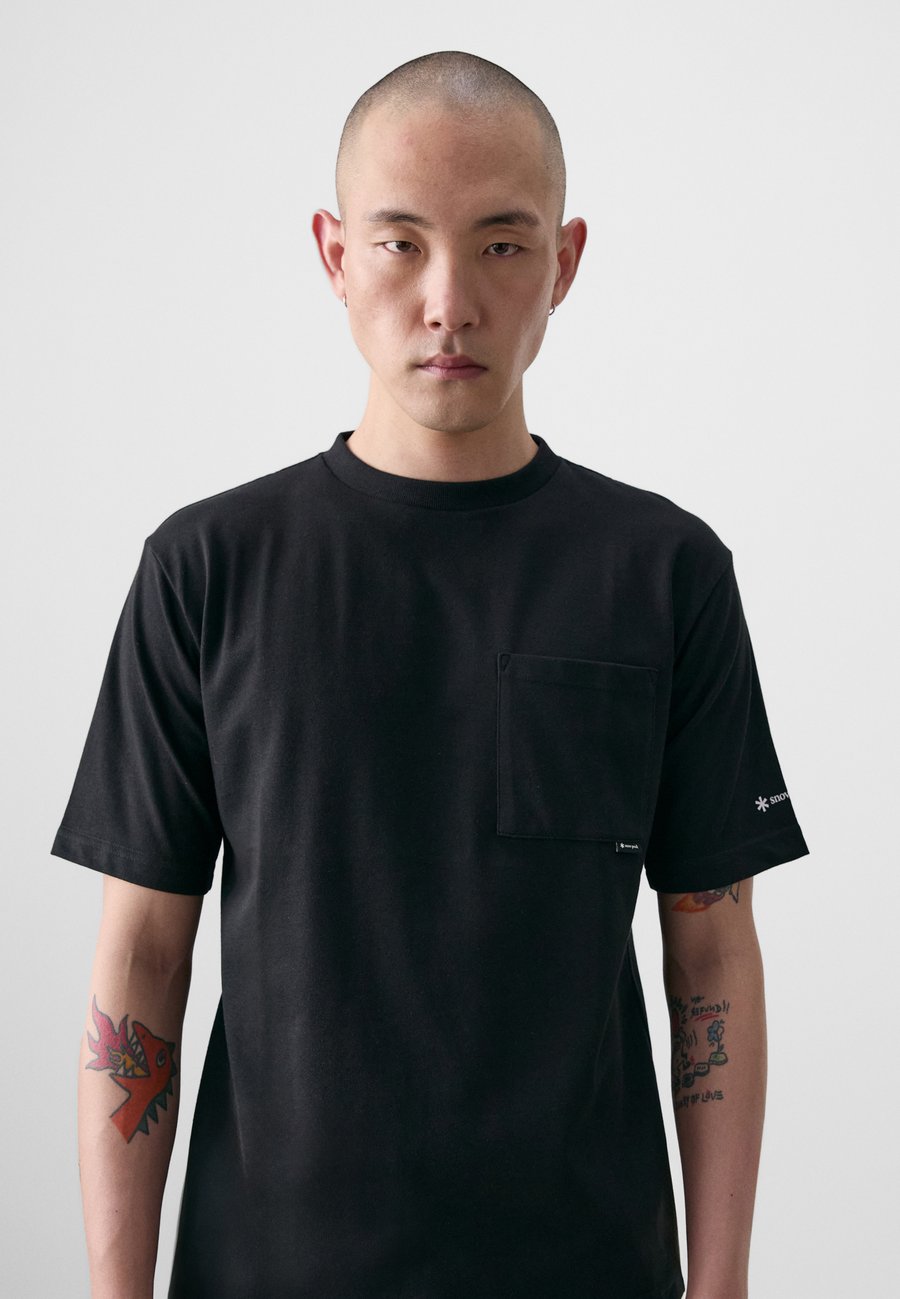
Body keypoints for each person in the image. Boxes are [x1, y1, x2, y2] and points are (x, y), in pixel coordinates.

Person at [51, 49, 810, 1299]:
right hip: (268, 1271)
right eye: (401, 243)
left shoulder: (664, 572)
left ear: (564, 262)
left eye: (502, 245)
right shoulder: (208, 569)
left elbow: (714, 955)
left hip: (584, 1269)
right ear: (335, 255)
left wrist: (719, 1286)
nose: (449, 301)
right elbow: (140, 958)